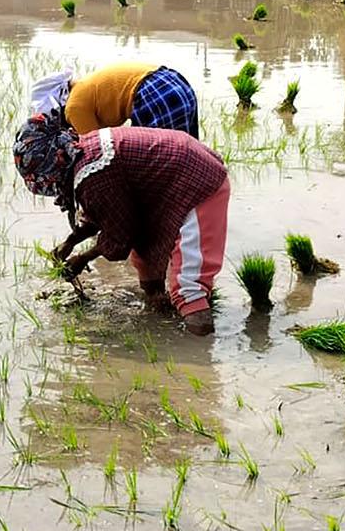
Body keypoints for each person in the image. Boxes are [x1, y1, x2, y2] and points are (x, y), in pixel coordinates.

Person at [13, 115, 229, 335]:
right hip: (171, 178)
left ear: (50, 167)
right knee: (146, 262)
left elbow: (121, 236)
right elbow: (107, 212)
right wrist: (71, 242)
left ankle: (199, 356)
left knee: (188, 286)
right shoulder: (82, 153)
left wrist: (83, 258)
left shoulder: (94, 171)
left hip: (197, 182)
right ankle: (160, 321)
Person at [27, 62, 200, 138]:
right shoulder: (86, 86)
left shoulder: (74, 107)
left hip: (155, 94)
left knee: (161, 164)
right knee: (190, 155)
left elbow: (96, 149)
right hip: (174, 82)